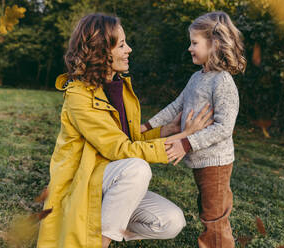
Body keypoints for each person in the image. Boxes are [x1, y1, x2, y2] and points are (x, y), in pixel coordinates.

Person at [36, 13, 213, 248]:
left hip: (110, 181)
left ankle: (93, 227)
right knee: (137, 169)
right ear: (101, 51)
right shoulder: (79, 95)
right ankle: (99, 242)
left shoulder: (120, 86)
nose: (129, 49)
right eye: (121, 45)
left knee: (171, 221)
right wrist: (181, 139)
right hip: (83, 183)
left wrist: (167, 130)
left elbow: (129, 138)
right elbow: (120, 149)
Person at [142, 12, 246, 248]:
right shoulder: (196, 78)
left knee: (214, 216)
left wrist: (186, 143)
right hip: (202, 161)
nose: (190, 48)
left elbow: (223, 128)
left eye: (195, 42)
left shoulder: (223, 82)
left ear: (214, 44)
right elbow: (174, 107)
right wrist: (147, 126)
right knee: (209, 209)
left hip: (216, 162)